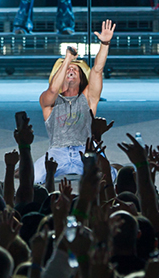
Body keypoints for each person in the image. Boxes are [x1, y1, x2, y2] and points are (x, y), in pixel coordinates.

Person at [34, 20, 115, 184]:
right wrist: (67, 59)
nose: (71, 70)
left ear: (82, 78)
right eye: (68, 69)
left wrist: (105, 44)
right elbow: (52, 90)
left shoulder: (88, 98)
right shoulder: (47, 100)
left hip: (85, 151)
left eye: (75, 70)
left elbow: (97, 70)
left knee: (112, 178)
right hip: (57, 153)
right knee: (32, 179)